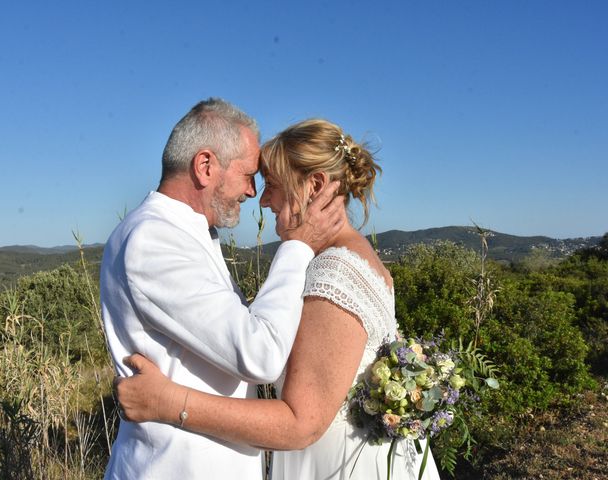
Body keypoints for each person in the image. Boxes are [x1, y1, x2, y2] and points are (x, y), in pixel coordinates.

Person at [115, 119, 442, 479]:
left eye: (271, 183)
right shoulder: (358, 258)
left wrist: (169, 403)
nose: (262, 197)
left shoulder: (334, 271)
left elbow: (300, 422)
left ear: (314, 186)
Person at [101, 99, 346, 479]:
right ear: (205, 166)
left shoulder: (185, 232)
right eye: (248, 175)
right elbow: (260, 354)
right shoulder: (153, 241)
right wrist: (298, 245)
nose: (253, 192)